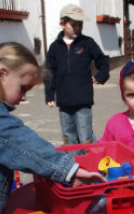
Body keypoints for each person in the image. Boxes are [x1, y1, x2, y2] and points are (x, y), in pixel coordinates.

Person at [0, 42, 106, 214]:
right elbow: (24, 146)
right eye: (23, 88)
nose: (23, 97)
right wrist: (70, 170)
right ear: (2, 74)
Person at [44, 4, 109, 145]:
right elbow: (49, 71)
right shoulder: (55, 47)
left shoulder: (87, 43)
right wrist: (49, 94)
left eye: (80, 24)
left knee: (85, 135)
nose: (78, 28)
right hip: (64, 100)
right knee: (68, 135)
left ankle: (90, 158)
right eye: (74, 25)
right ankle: (74, 163)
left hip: (83, 100)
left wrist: (100, 76)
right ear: (62, 24)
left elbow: (103, 60)